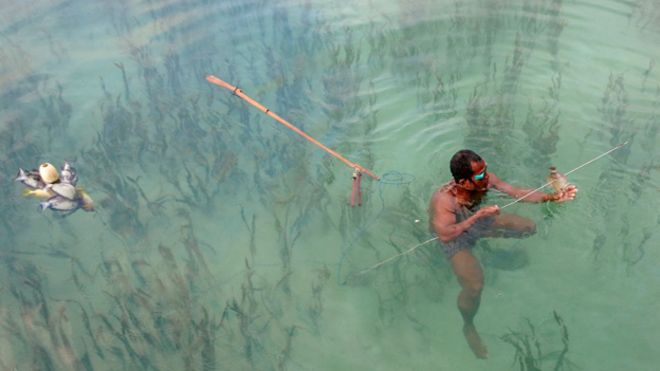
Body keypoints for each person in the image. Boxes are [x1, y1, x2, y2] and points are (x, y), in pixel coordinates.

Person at [428, 149, 577, 359]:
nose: (486, 176)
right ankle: (468, 325)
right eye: (480, 175)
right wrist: (479, 215)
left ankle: (487, 256)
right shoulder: (444, 200)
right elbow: (445, 235)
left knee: (529, 227)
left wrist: (552, 197)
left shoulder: (485, 179)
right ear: (464, 182)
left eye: (485, 170)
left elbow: (516, 192)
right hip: (456, 238)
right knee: (474, 285)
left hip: (478, 222)